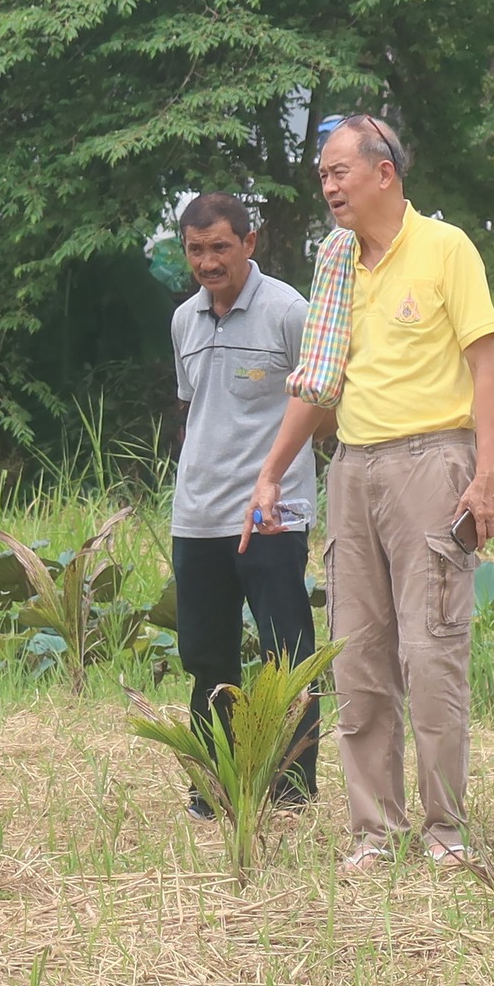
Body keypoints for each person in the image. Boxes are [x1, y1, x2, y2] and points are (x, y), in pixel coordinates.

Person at [244, 116, 494, 873]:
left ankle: (445, 829)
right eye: (322, 175)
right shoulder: (336, 265)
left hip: (433, 463)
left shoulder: (446, 249)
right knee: (358, 657)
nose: (328, 187)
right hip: (352, 468)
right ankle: (374, 832)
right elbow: (321, 385)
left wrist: (486, 475)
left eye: (339, 172)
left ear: (383, 172)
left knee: (432, 652)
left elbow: (485, 367)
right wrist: (272, 470)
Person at [169, 192, 318, 822]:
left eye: (220, 247)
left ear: (249, 243)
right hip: (197, 516)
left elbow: (323, 403)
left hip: (271, 517)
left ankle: (291, 794)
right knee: (207, 658)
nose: (208, 262)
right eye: (196, 249)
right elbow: (196, 409)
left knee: (286, 656)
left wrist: (277, 478)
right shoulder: (184, 320)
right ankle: (215, 789)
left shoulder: (289, 311)